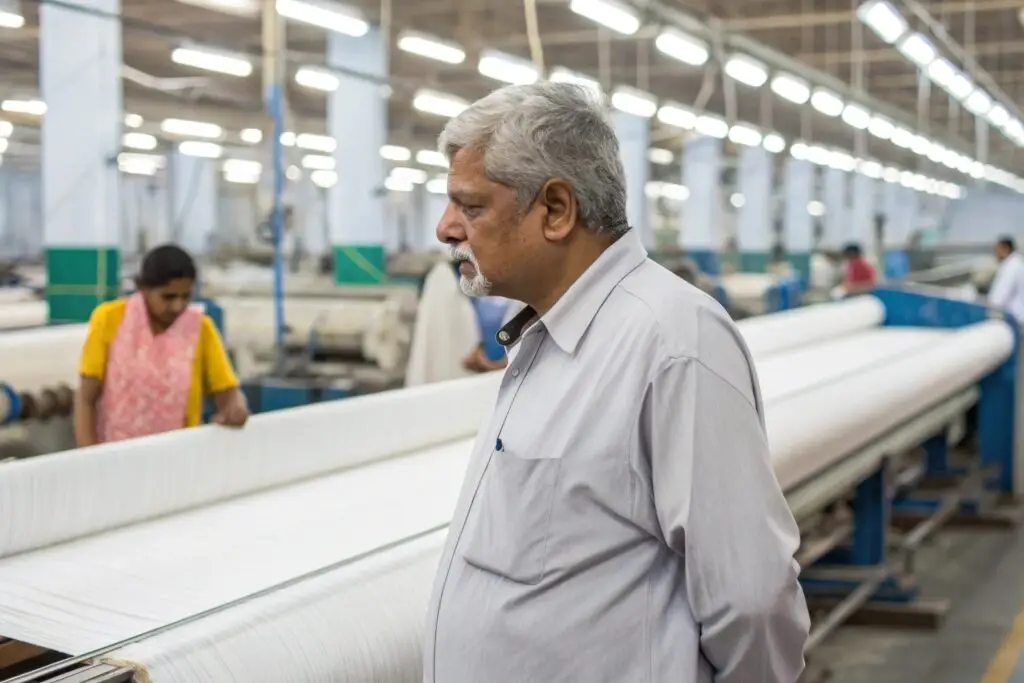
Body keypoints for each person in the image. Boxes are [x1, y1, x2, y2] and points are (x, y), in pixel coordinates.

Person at [423, 82, 809, 683]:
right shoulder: (546, 336)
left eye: (470, 207)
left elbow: (753, 597)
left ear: (555, 209)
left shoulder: (671, 340)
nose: (446, 229)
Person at [74, 244, 249, 447]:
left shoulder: (201, 329)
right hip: (115, 455)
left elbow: (227, 391)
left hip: (178, 456)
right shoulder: (110, 320)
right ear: (144, 288)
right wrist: (89, 457)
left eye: (185, 296)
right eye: (168, 297)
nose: (178, 306)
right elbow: (86, 398)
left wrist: (236, 408)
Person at [989, 236, 1024, 324]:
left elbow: (998, 299)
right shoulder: (1017, 263)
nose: (995, 253)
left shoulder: (1010, 266)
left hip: (1015, 321)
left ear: (1005, 248)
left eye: (997, 250)